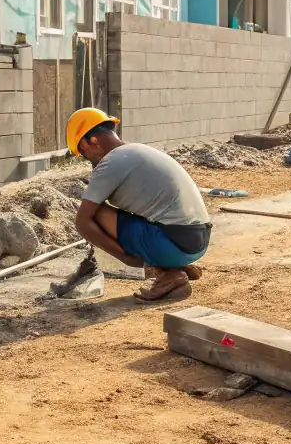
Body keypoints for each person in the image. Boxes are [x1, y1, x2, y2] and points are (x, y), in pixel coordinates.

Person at [66, 108, 211, 302]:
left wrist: (127, 259)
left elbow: (82, 223)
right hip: (198, 240)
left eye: (83, 152)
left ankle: (169, 274)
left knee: (95, 213)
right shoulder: (136, 151)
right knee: (135, 217)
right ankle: (173, 265)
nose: (88, 161)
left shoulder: (111, 163)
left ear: (92, 141)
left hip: (175, 245)